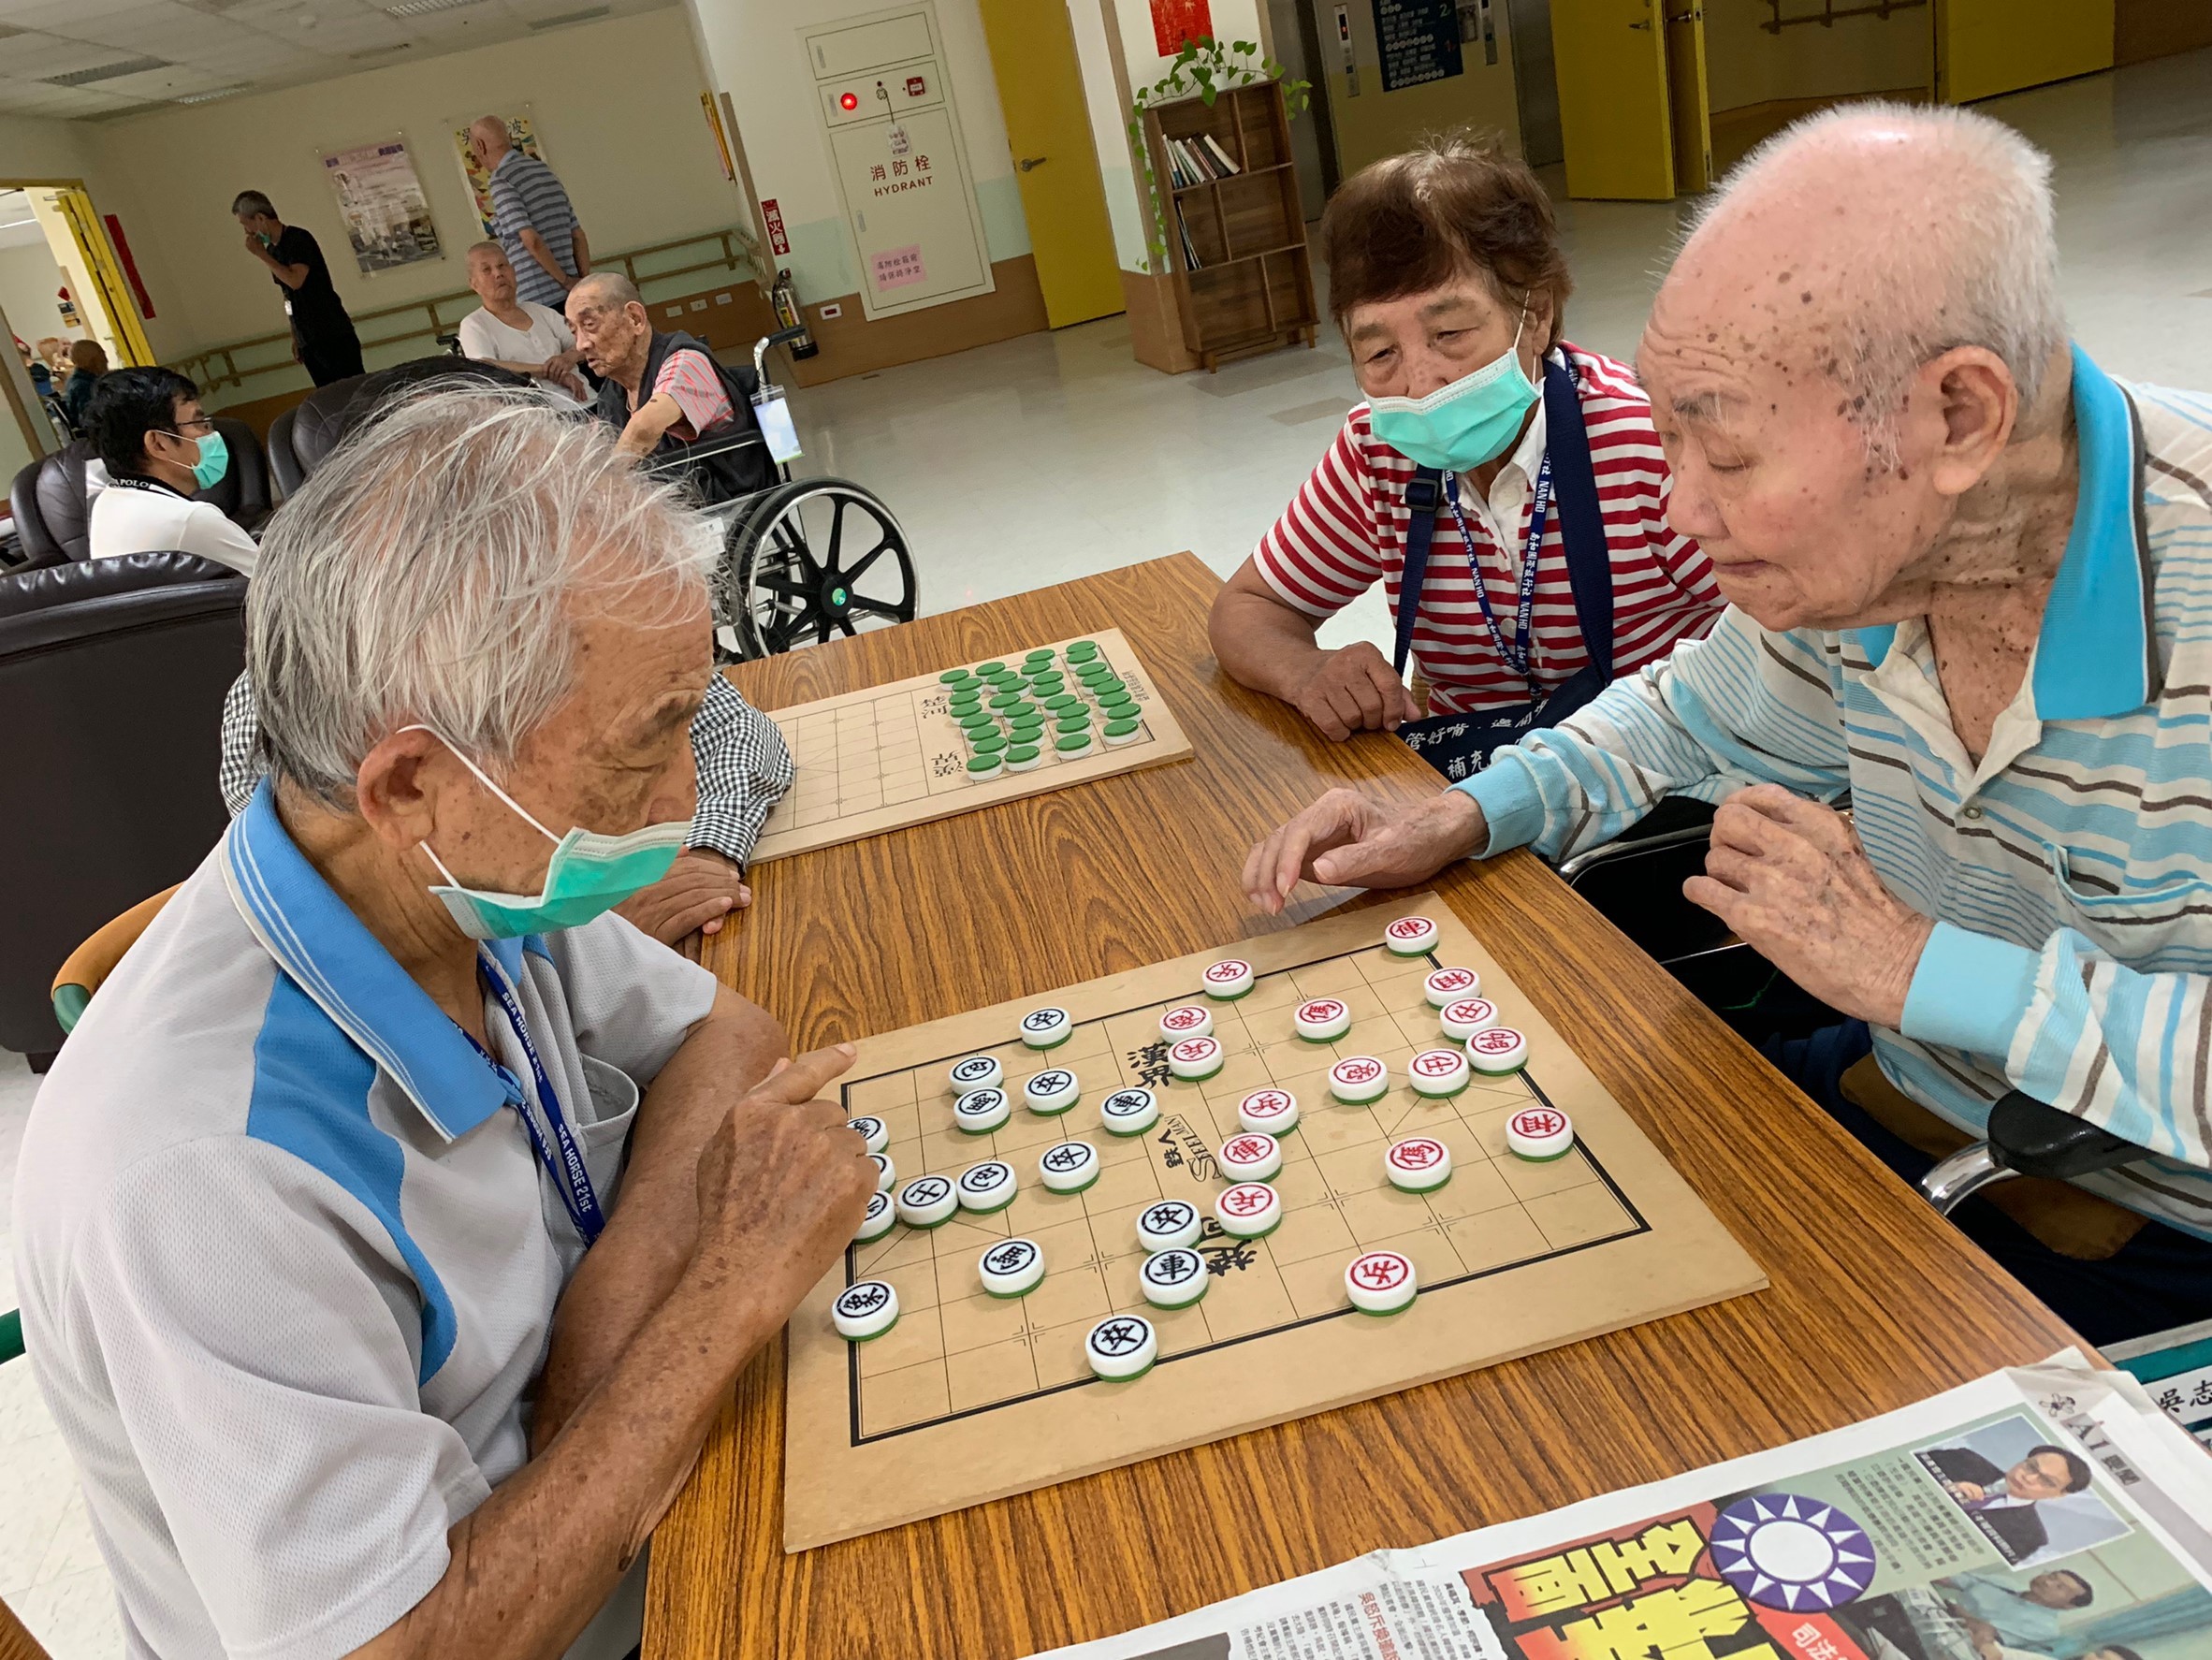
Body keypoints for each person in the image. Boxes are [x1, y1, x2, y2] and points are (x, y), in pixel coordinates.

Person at [1240, 103, 2212, 1347]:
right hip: (1902, 1104)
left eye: (1729, 449)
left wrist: (1927, 970)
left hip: (2141, 1225)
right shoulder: (1877, 568)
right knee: (1465, 1244)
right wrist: (1456, 813)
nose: (1684, 510)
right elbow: (1680, 712)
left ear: (1957, 417)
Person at [11, 386, 874, 1660]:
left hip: (630, 1504)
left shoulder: (461, 876)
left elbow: (724, 1036)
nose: (685, 791)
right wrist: (723, 1292)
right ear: (412, 781)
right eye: (647, 741)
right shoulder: (200, 1177)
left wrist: (597, 1339)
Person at [1209, 135, 1722, 780]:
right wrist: (1307, 671)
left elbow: (1788, 650)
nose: (1421, 383)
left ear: (1537, 317)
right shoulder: (1378, 455)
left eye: (1450, 333)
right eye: (1379, 354)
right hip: (1478, 779)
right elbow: (1248, 607)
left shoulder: (1650, 445)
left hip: (1656, 774)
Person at [83, 366, 257, 573]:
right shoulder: (191, 521)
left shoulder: (106, 504)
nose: (211, 434)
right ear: (158, 444)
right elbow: (281, 590)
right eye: (200, 422)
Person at [233, 189, 364, 386]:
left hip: (331, 332)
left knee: (354, 390)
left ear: (260, 218)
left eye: (246, 224)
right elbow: (287, 294)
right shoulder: (273, 251)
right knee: (327, 399)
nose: (247, 232)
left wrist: (261, 255)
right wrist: (295, 334)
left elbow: (296, 280)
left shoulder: (298, 239)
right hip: (309, 339)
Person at [471, 116, 589, 310]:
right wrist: (580, 283)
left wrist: (565, 280)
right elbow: (577, 234)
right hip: (575, 295)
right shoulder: (543, 170)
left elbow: (531, 240)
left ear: (480, 146)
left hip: (539, 299)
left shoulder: (502, 180)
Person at [457, 240, 588, 400]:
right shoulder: (474, 325)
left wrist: (568, 358)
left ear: (513, 271)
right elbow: (485, 366)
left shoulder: (538, 310)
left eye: (502, 265)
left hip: (585, 398)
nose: (498, 274)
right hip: (535, 412)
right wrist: (549, 372)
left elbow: (583, 339)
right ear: (474, 284)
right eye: (486, 270)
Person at [1937, 1568, 2093, 1655]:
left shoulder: (2045, 1628)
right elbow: (1949, 1577)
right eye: (2052, 1576)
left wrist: (1953, 1608)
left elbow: (1983, 1632)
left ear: (2068, 1606)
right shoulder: (2005, 1583)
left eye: (2059, 1587)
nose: (2047, 1581)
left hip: (1952, 1647)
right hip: (1933, 1612)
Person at [57, 336, 107, 430]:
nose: (106, 360)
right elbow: (91, 418)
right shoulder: (84, 385)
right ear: (93, 359)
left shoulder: (76, 380)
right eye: (102, 354)